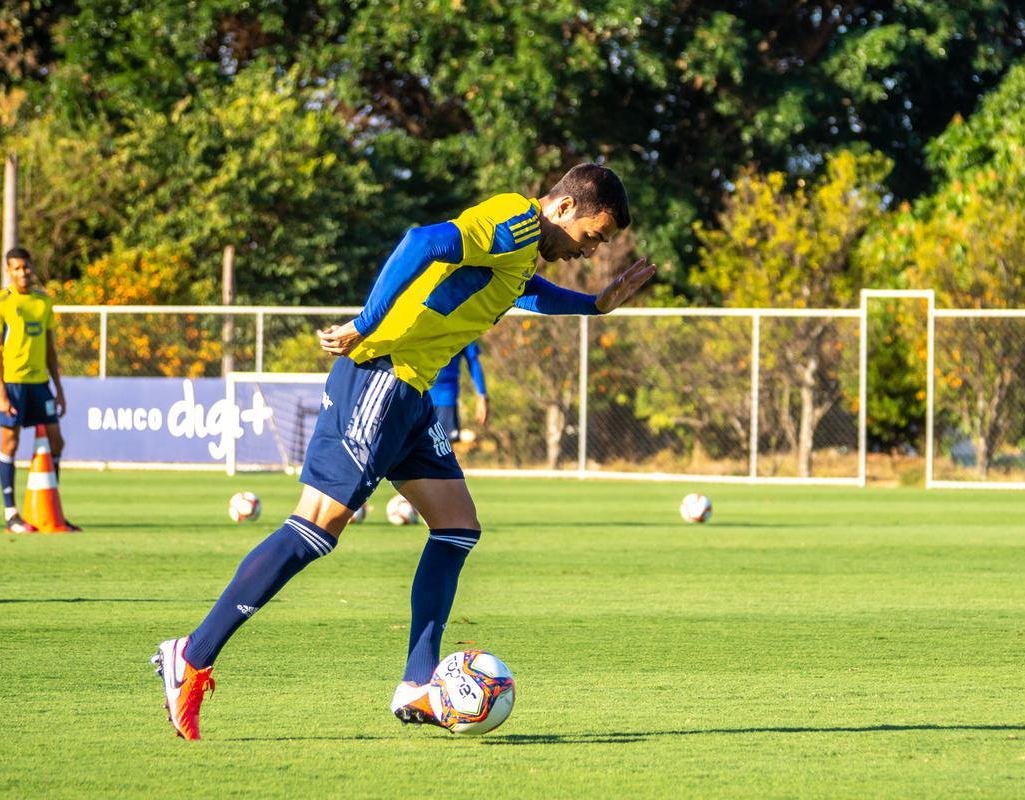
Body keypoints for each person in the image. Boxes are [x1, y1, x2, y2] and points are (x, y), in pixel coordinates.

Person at [151, 163, 655, 740]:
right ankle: (192, 654)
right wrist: (367, 323)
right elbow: (422, 241)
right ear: (563, 208)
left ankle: (417, 684)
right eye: (592, 236)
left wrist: (593, 306)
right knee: (316, 525)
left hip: (412, 395)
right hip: (382, 377)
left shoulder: (520, 251)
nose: (589, 251)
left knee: (457, 527)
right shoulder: (515, 221)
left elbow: (524, 292)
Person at [0, 248, 75, 533]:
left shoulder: (43, 302)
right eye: (17, 268)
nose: (23, 272)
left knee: (56, 441)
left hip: (40, 385)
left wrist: (58, 388)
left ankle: (51, 510)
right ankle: (11, 513)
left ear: (32, 267)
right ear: (9, 270)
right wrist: (0, 392)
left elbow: (50, 350)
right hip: (13, 384)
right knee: (10, 444)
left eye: (26, 267)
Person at [429, 342, 489, 443]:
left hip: (445, 398)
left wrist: (482, 396)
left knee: (442, 447)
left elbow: (473, 361)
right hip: (416, 395)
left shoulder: (464, 327)